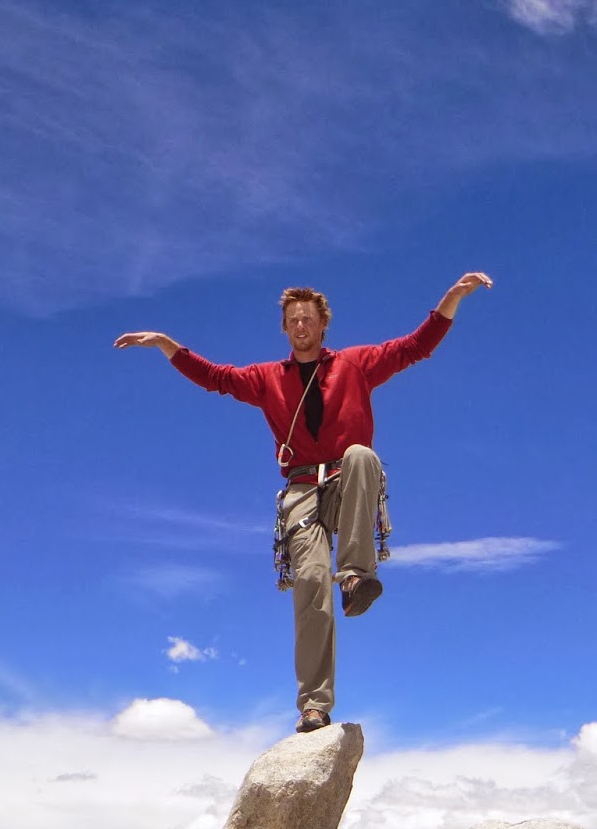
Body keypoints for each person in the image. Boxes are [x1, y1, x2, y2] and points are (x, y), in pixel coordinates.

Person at [114, 272, 492, 733]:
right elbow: (215, 378)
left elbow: (415, 346)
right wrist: (167, 345)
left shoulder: (355, 364)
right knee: (310, 583)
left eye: (307, 319)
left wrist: (451, 298)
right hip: (301, 491)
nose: (300, 326)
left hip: (346, 484)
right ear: (284, 328)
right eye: (292, 320)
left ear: (322, 324)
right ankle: (314, 704)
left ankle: (355, 574)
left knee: (361, 455)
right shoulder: (267, 379)